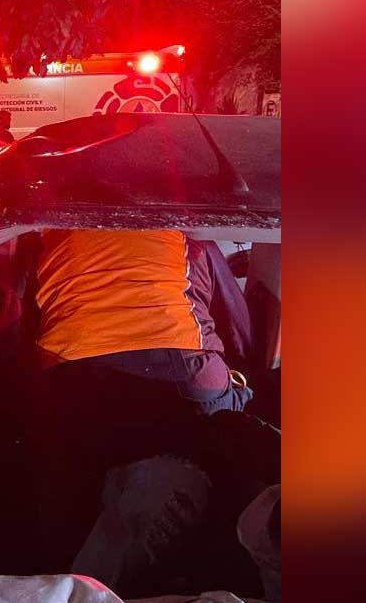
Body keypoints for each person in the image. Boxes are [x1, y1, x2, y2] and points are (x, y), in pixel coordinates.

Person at [31, 229, 253, 578]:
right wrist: (240, 375)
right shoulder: (191, 236)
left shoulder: (53, 233)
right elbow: (238, 327)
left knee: (73, 485)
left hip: (73, 371)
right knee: (235, 415)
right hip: (178, 369)